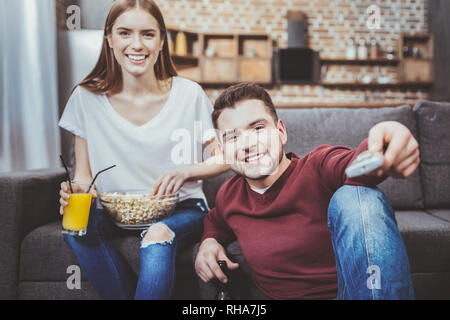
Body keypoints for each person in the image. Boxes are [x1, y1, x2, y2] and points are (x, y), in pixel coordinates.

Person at [58, 0, 228, 300]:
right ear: (109, 39)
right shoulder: (85, 97)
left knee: (157, 235)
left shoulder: (188, 94)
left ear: (162, 41)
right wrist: (74, 190)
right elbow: (84, 176)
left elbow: (224, 157)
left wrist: (187, 170)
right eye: (125, 33)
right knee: (74, 224)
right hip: (112, 210)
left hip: (182, 207)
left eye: (148, 34)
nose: (137, 44)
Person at [194, 83, 419, 300]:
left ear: (281, 131)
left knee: (356, 195)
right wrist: (209, 242)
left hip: (349, 294)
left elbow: (353, 165)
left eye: (258, 128)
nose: (247, 144)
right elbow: (215, 221)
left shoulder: (317, 166)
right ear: (223, 151)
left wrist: (386, 141)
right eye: (233, 137)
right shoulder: (229, 195)